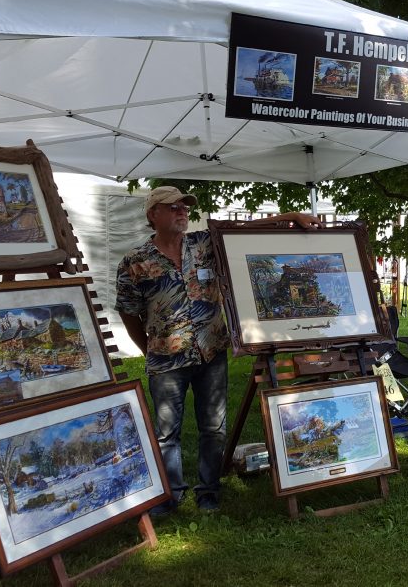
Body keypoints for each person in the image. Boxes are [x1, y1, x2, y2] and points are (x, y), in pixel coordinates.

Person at [115, 186, 319, 515]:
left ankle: (208, 491)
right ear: (153, 214)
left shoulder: (204, 243)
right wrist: (151, 348)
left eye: (184, 206)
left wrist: (292, 217)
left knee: (213, 427)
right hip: (166, 360)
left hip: (211, 353)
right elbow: (128, 312)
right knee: (167, 432)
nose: (182, 211)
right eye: (173, 207)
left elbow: (248, 229)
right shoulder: (135, 262)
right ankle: (170, 495)